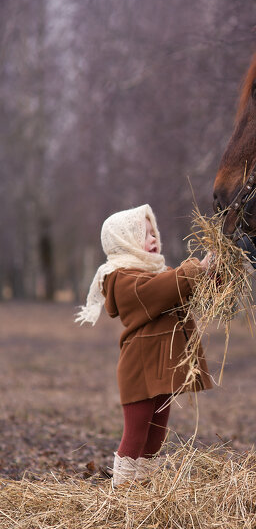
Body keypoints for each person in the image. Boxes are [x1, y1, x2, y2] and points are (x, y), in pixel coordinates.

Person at [76, 204, 212, 488]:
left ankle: (143, 489)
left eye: (153, 233)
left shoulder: (157, 273)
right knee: (137, 432)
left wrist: (213, 273)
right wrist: (194, 269)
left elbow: (184, 290)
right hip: (139, 369)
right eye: (144, 234)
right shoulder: (122, 279)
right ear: (125, 240)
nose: (154, 239)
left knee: (157, 432)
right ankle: (122, 491)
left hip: (162, 367)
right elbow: (157, 291)